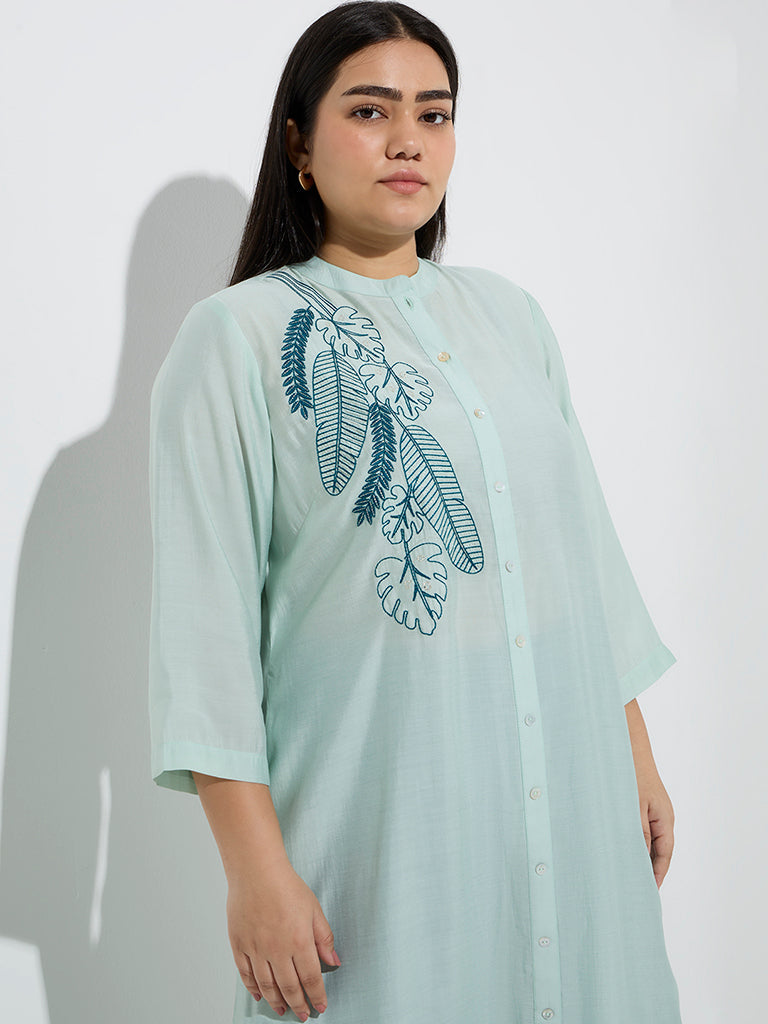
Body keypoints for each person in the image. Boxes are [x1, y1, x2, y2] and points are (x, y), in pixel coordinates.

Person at [147, 3, 683, 1023]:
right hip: (384, 830)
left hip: (570, 802)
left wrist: (637, 754)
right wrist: (254, 873)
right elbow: (205, 639)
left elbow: (576, 565)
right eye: (370, 111)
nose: (409, 140)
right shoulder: (236, 339)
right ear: (298, 146)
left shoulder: (511, 317)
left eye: (434, 115)